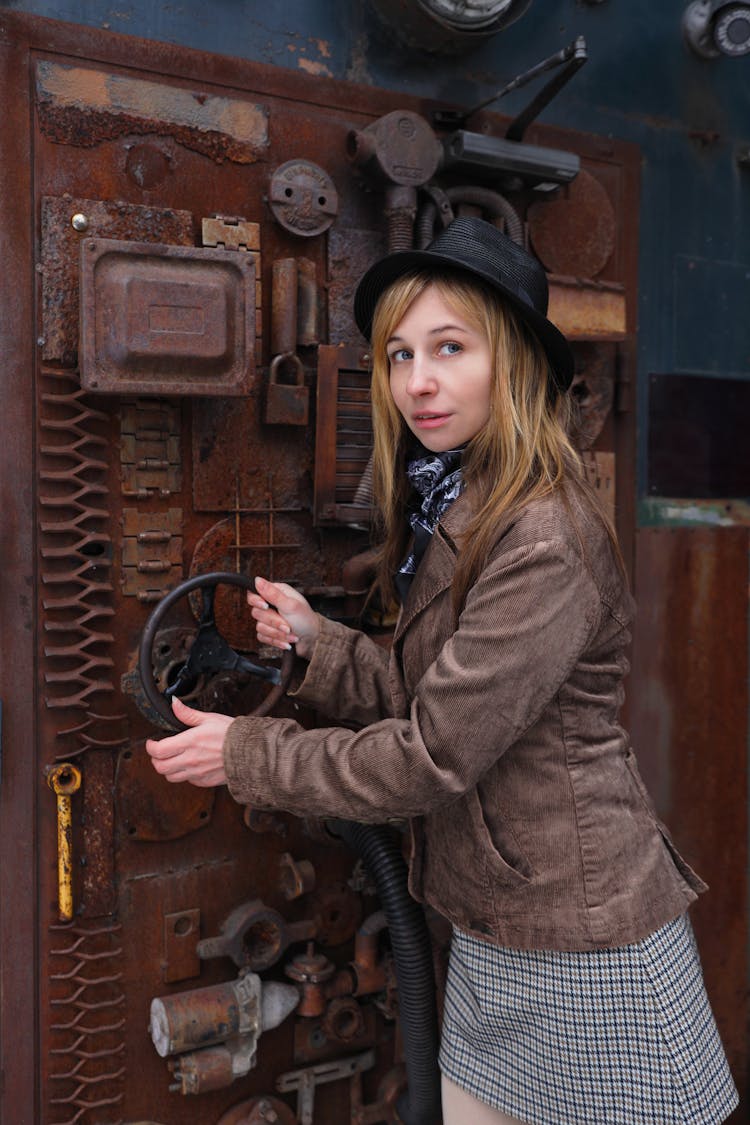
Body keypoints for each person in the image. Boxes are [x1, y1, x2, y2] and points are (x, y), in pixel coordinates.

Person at [146, 217, 738, 1125]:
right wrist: (318, 645)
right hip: (497, 922)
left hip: (582, 942)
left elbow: (434, 753)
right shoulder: (463, 497)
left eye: (450, 347)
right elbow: (444, 698)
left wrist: (251, 754)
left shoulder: (544, 532)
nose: (417, 381)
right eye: (399, 354)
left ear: (514, 362)